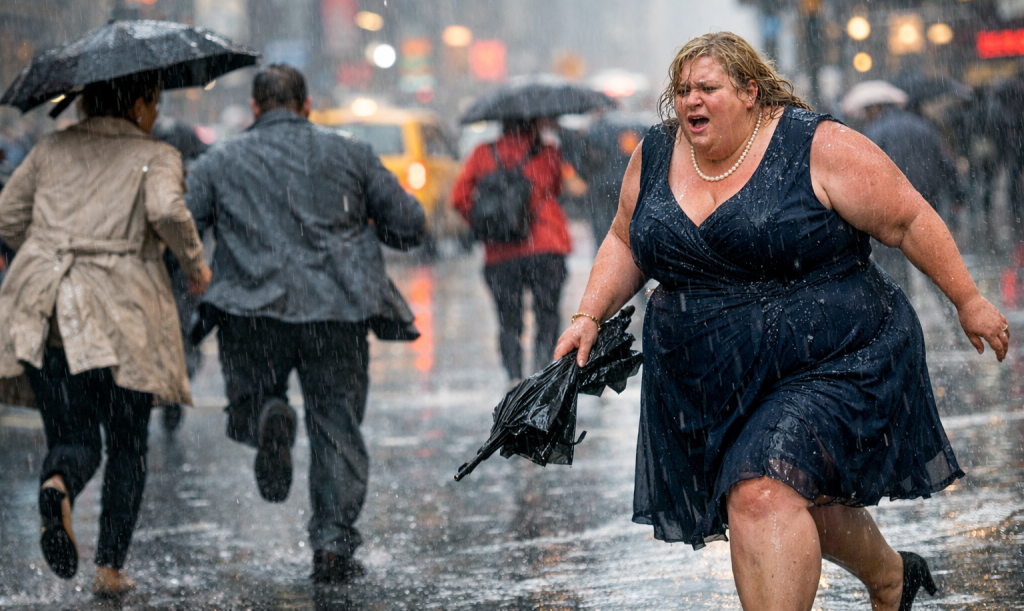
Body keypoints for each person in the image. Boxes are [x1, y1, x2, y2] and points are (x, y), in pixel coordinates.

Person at [554, 32, 1008, 611]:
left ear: (750, 91)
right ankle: (893, 577)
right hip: (713, 377)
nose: (691, 100)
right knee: (792, 486)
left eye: (708, 88)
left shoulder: (815, 144)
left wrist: (968, 300)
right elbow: (626, 239)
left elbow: (907, 220)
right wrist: (588, 314)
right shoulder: (657, 152)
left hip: (835, 355)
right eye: (683, 89)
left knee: (762, 490)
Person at [185, 64, 425, 584]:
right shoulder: (351, 153)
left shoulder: (218, 161)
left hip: (250, 313)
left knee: (249, 397)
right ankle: (333, 543)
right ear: (307, 105)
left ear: (254, 108)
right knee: (336, 424)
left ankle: (266, 415)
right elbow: (409, 225)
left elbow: (184, 228)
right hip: (335, 313)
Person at [0, 72, 211, 596]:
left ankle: (58, 483)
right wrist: (194, 264)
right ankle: (109, 567)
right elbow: (165, 210)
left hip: (43, 306)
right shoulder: (155, 154)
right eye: (154, 102)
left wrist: (51, 246)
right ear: (137, 103)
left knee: (72, 435)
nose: (157, 113)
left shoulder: (49, 149)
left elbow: (7, 217)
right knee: (127, 443)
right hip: (121, 312)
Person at [452, 118, 572, 383]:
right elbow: (558, 189)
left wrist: (488, 223)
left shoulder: (483, 152)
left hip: (500, 252)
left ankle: (514, 378)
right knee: (547, 313)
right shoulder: (548, 151)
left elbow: (458, 197)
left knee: (508, 320)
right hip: (546, 243)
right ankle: (543, 373)